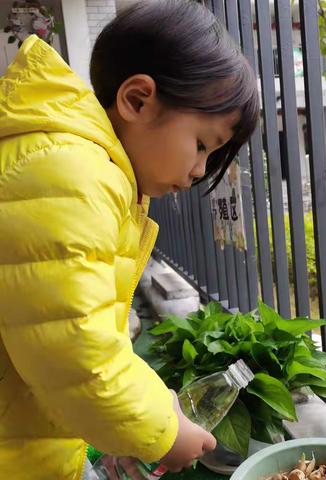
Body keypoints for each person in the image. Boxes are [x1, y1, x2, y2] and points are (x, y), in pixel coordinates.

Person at [0, 0, 259, 478]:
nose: (199, 171)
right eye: (202, 144)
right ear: (137, 100)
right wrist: (164, 431)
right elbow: (77, 352)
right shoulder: (74, 177)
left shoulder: (80, 165)